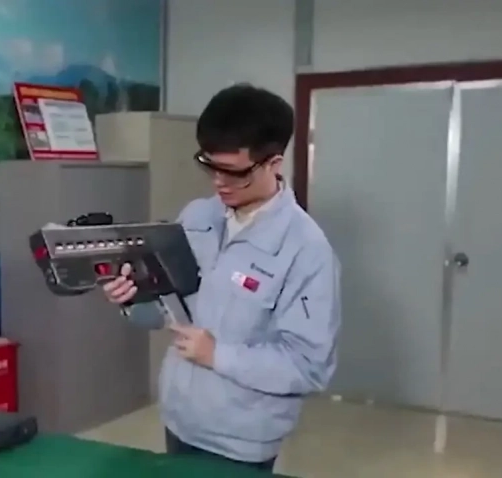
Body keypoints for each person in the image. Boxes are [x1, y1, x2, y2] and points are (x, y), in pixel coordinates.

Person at [102, 84, 341, 472]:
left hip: (242, 440)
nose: (219, 182)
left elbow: (308, 367)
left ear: (274, 163)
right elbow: (168, 312)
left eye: (234, 172)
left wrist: (218, 355)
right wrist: (132, 298)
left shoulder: (306, 250)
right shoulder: (196, 217)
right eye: (210, 165)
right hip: (180, 420)